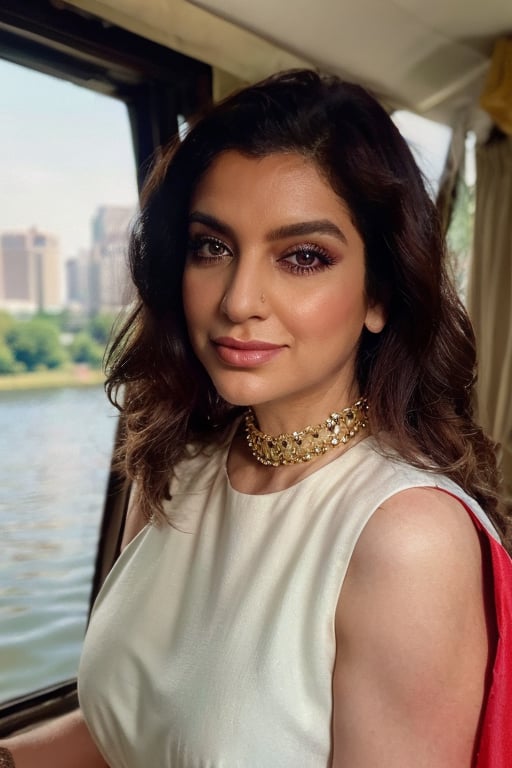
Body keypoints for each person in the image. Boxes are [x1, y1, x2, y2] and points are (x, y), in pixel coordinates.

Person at [1, 69, 511, 768]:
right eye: (212, 246)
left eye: (303, 257)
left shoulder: (406, 540)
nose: (239, 298)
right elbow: (122, 727)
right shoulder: (173, 465)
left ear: (379, 296)